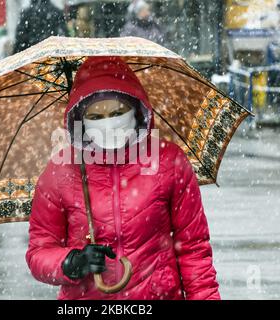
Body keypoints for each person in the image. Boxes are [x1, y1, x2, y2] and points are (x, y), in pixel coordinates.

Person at [26, 56, 220, 300]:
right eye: (96, 116)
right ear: (80, 121)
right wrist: (71, 262)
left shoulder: (168, 161)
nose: (108, 123)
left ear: (136, 111)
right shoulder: (60, 170)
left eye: (118, 112)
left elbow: (194, 249)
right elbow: (39, 252)